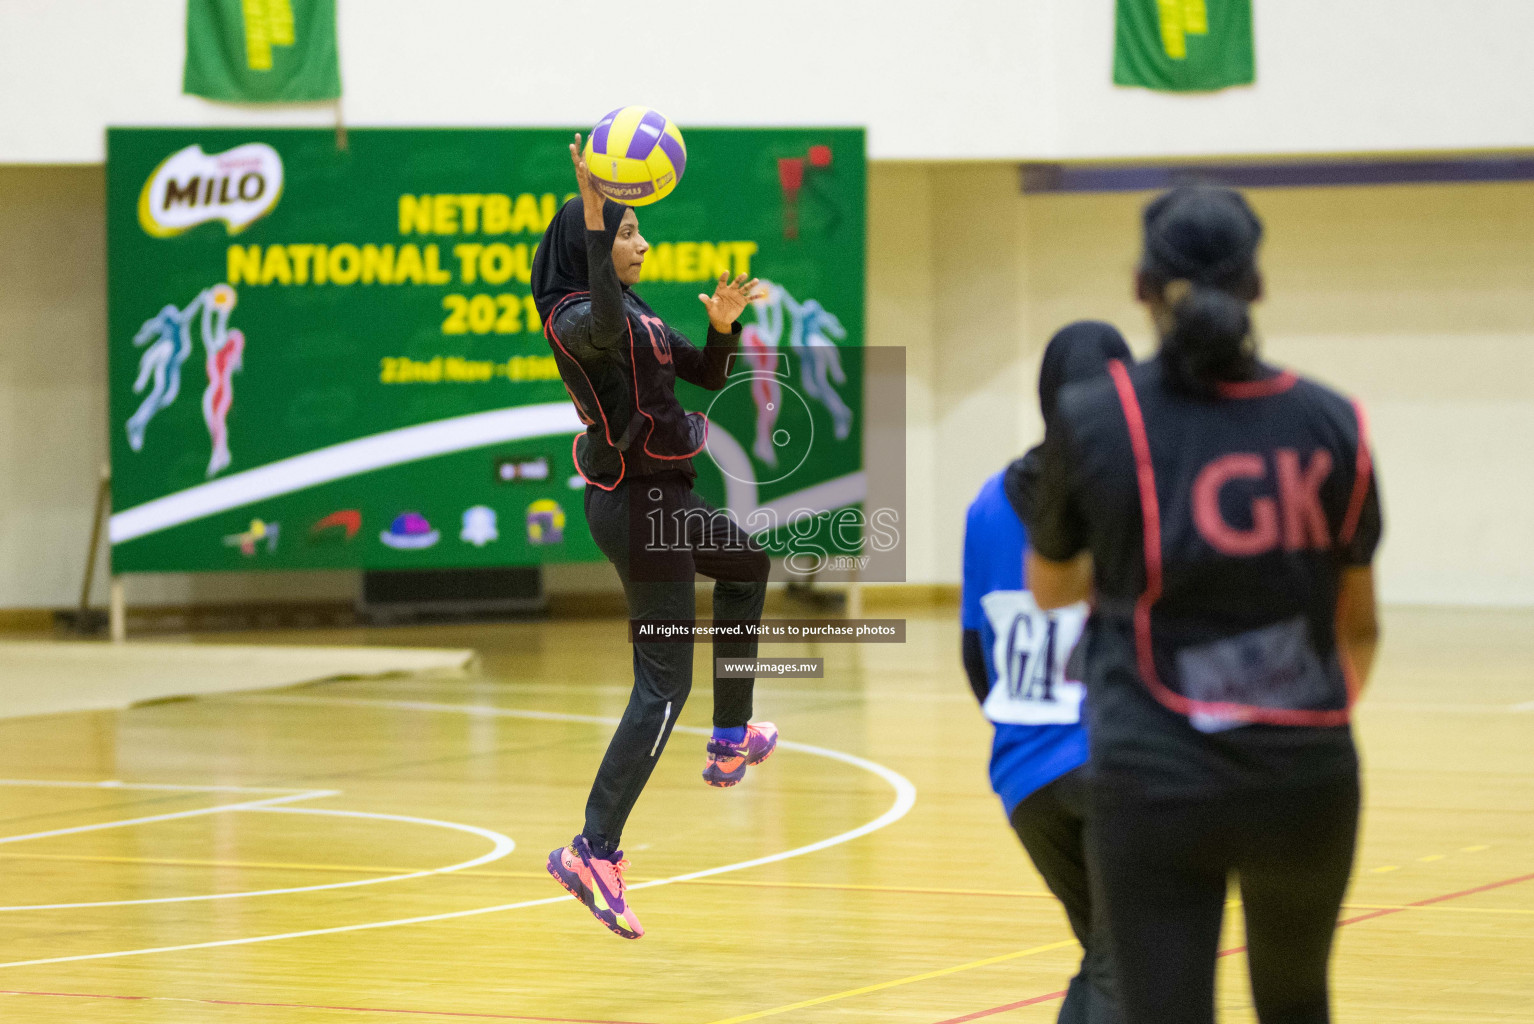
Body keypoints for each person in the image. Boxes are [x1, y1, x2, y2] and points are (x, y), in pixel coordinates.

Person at [1025, 185, 1383, 1024]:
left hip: (1155, 780)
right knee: (1298, 1004)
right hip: (1306, 775)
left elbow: (1052, 588)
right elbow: (1357, 627)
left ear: (1143, 286)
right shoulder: (1333, 422)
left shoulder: (1094, 418)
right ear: (1256, 286)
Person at [536, 135, 778, 940]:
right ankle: (591, 849)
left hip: (662, 499)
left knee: (748, 560)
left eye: (637, 232)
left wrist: (721, 327)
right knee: (661, 686)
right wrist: (599, 210)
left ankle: (731, 733)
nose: (645, 244)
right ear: (593, 244)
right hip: (636, 509)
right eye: (630, 234)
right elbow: (601, 317)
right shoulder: (576, 318)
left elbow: (706, 376)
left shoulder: (636, 313)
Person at [961, 321, 1130, 1024]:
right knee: (1124, 966)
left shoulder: (988, 503)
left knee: (1109, 953)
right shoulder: (1130, 494)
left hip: (1025, 774)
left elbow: (978, 659)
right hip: (1116, 765)